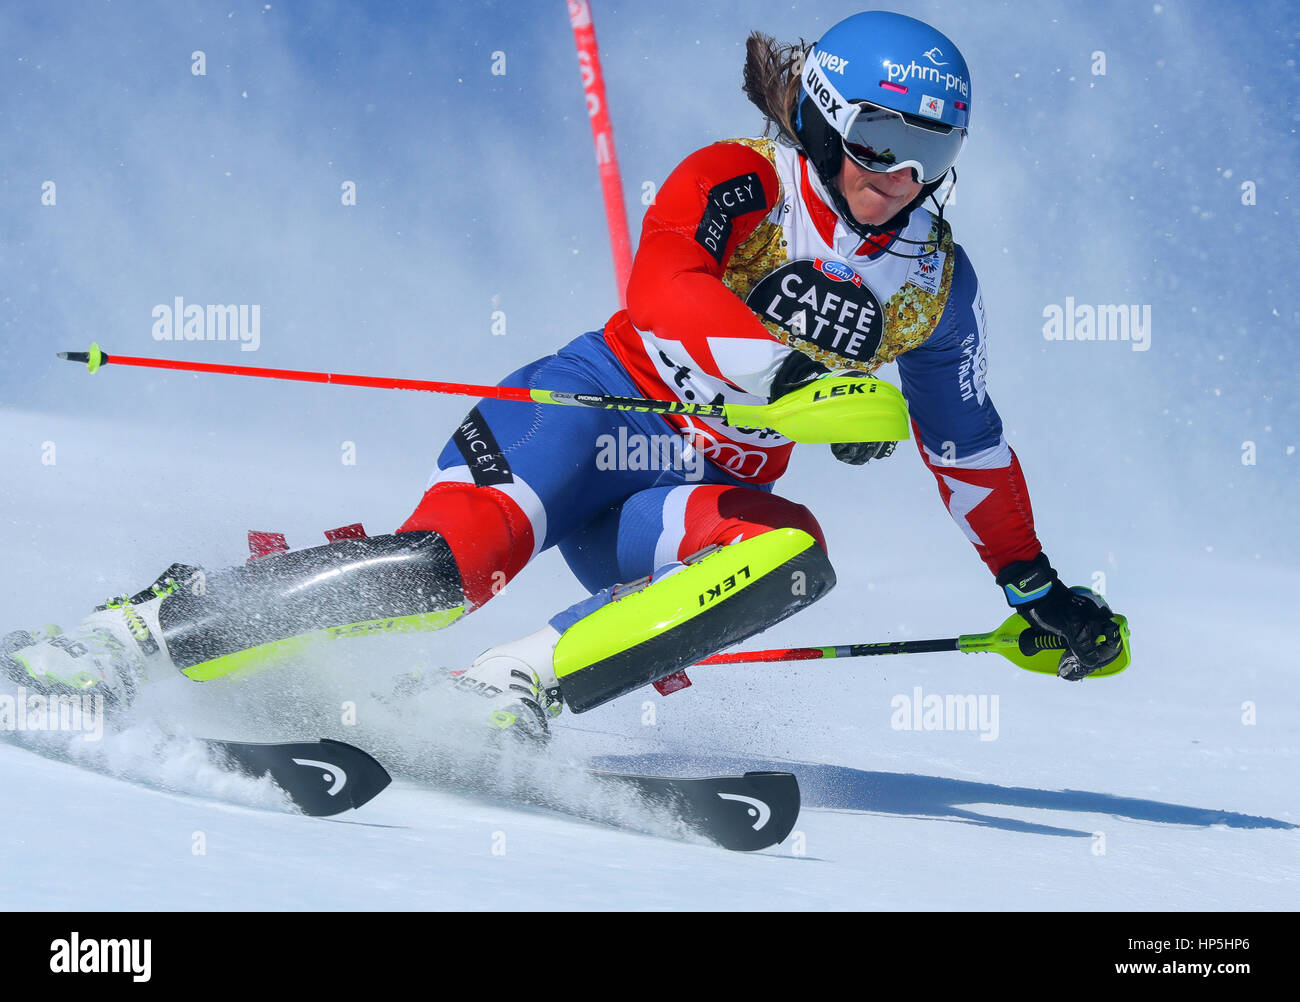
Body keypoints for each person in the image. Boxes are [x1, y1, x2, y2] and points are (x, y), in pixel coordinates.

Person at [3, 11, 1124, 739]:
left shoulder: (934, 284)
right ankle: (139, 629)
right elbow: (661, 293)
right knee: (446, 572)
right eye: (881, 139)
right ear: (828, 115)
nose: (898, 177)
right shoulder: (741, 180)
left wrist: (1033, 585)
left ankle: (505, 689)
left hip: (676, 491)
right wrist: (786, 340)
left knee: (790, 556)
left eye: (928, 155)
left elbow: (966, 444)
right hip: (590, 416)